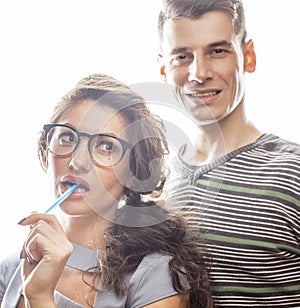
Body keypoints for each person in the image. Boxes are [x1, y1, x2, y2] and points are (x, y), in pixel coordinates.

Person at [0, 73, 213, 307]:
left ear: (133, 172)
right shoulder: (12, 266)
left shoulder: (156, 277)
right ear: (46, 146)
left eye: (106, 146)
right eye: (67, 137)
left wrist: (40, 298)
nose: (78, 162)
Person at [157, 0, 300, 307]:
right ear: (163, 69)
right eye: (183, 56)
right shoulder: (156, 181)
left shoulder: (293, 172)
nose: (200, 73)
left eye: (217, 51)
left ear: (248, 57)